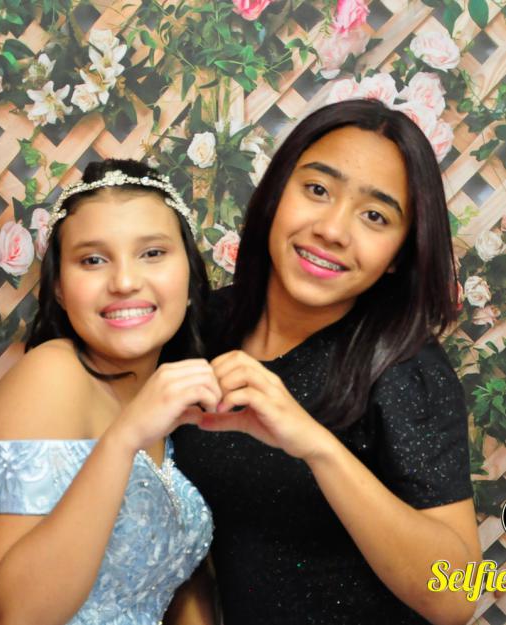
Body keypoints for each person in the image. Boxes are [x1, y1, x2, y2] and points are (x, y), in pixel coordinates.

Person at [172, 99, 481, 625]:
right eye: (317, 190)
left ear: (398, 256)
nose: (333, 230)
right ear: (276, 193)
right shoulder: (205, 326)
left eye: (375, 216)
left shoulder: (405, 369)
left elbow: (461, 594)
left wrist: (315, 446)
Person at [0, 159, 219, 625]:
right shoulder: (51, 376)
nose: (124, 282)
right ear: (61, 290)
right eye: (93, 260)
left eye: (152, 253)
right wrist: (124, 438)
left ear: (190, 277)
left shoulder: (166, 401)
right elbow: (19, 614)